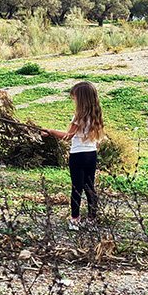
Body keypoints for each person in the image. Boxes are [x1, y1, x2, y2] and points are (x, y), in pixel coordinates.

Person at [45, 81, 104, 231]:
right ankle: (92, 220)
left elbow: (68, 136)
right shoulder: (96, 114)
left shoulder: (79, 116)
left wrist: (50, 131)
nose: (74, 101)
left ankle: (75, 219)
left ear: (81, 99)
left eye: (75, 98)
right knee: (90, 187)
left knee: (76, 188)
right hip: (91, 155)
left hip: (78, 155)